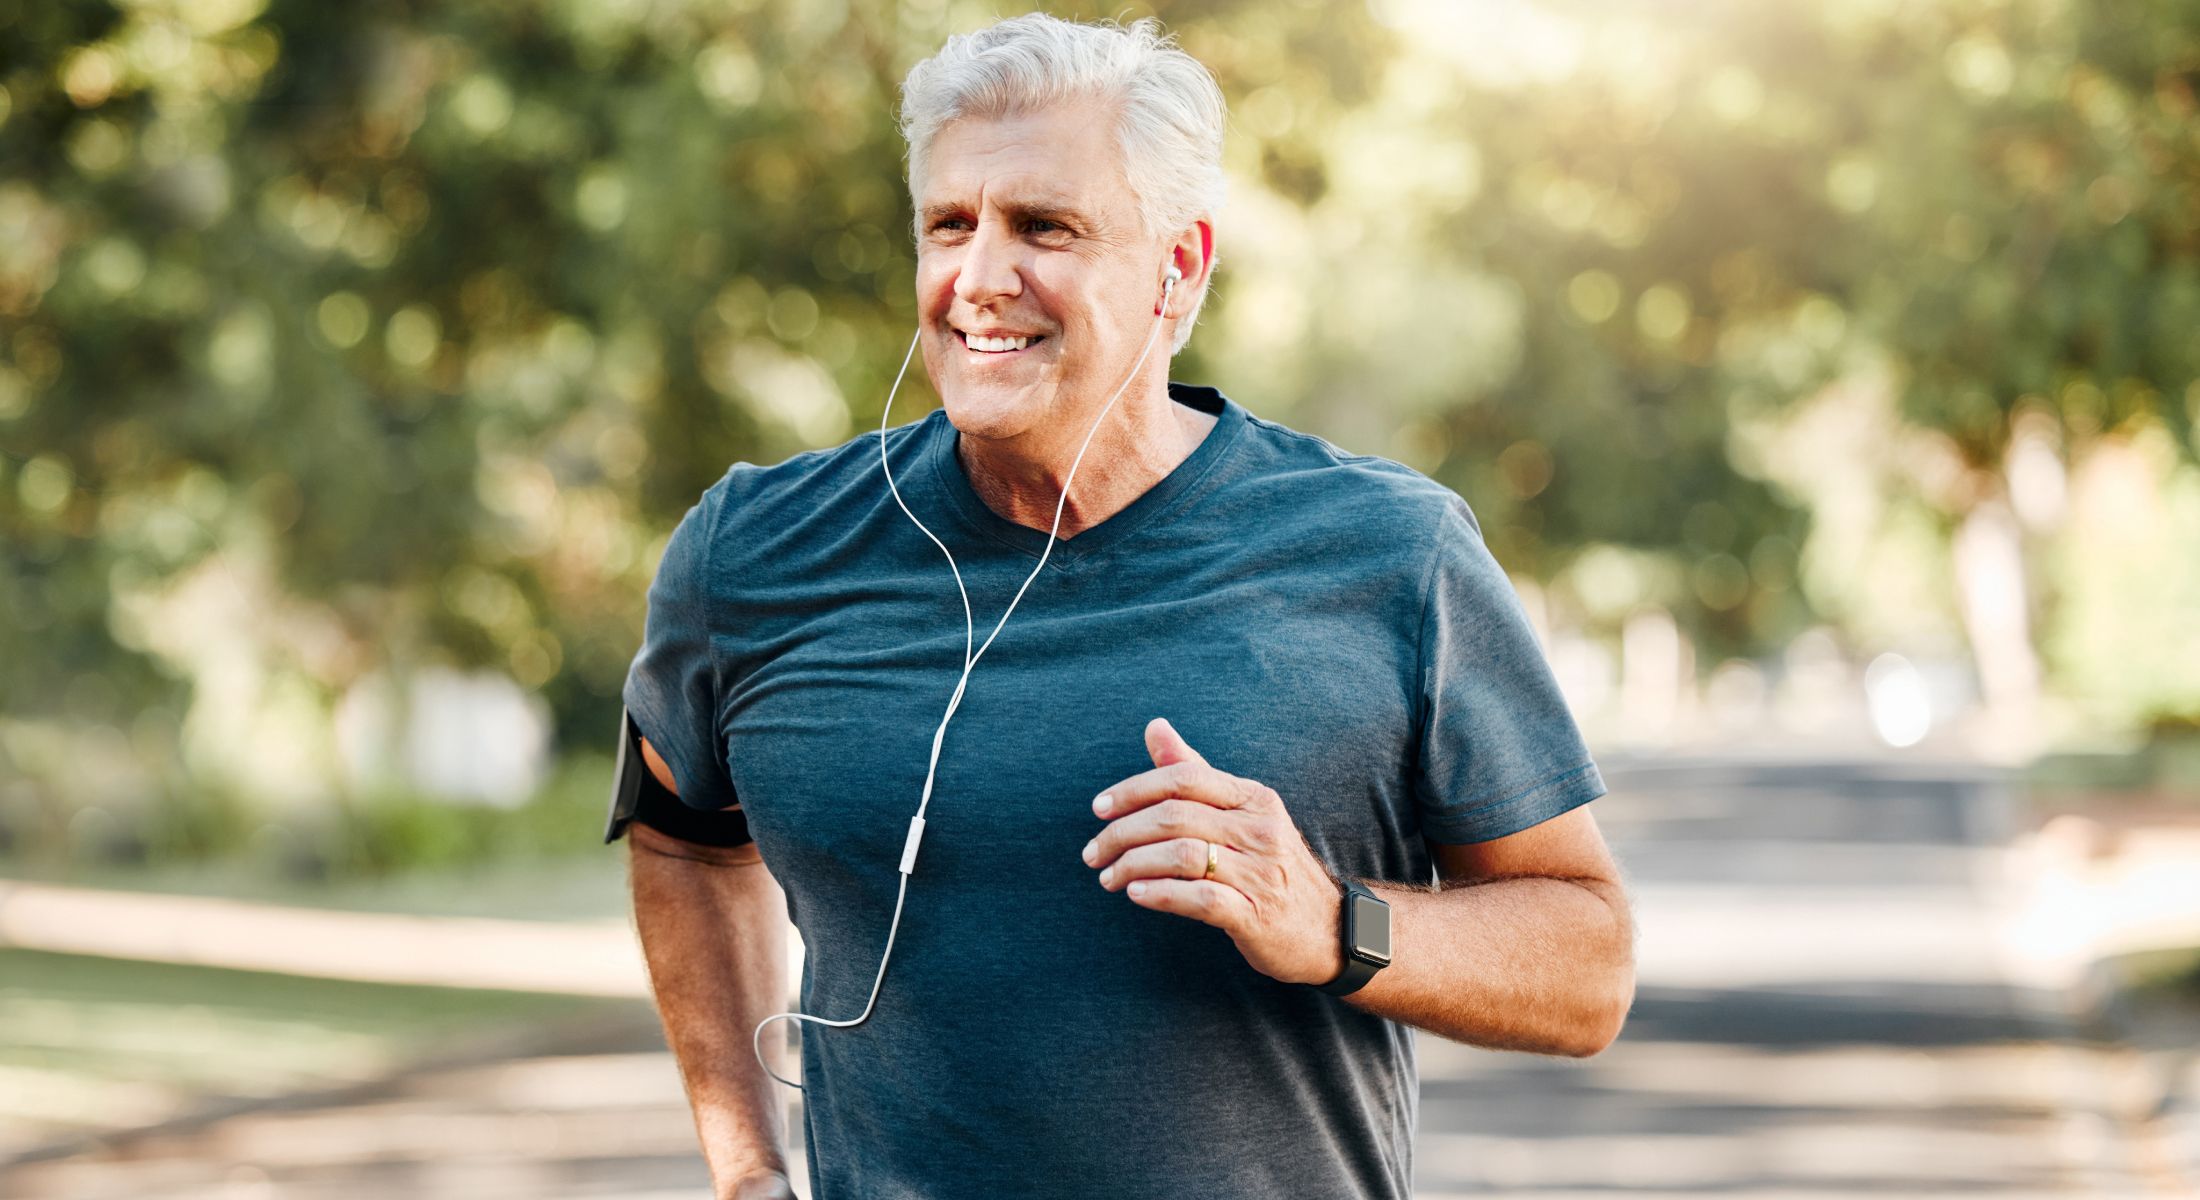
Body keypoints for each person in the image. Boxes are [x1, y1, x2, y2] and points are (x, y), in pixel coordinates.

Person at [612, 14, 1635, 1200]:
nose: (980, 277)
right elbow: (682, 843)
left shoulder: (1388, 553)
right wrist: (745, 1167)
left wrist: (1330, 921)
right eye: (950, 223)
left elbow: (1588, 966)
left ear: (1179, 266)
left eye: (1044, 226)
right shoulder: (754, 553)